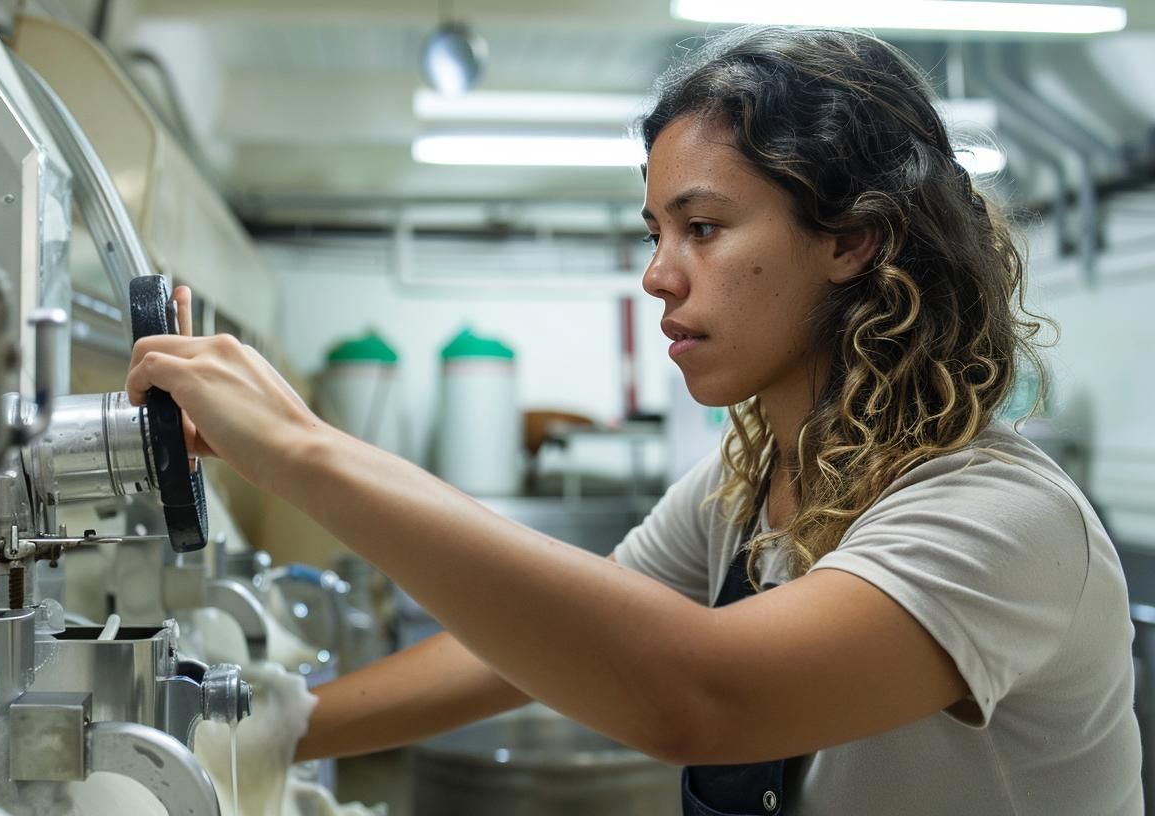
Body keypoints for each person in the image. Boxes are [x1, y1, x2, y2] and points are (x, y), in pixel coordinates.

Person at [126, 25, 1142, 816]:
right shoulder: (745, 486)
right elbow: (523, 642)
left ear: (853, 239)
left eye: (703, 228)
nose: (656, 274)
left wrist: (301, 453)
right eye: (656, 232)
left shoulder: (1001, 518)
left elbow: (698, 696)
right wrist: (266, 731)